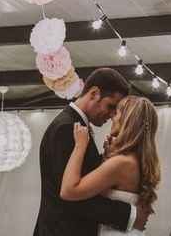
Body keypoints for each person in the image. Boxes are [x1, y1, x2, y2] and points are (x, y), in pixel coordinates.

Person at [33, 68, 152, 236]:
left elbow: (87, 182)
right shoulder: (67, 127)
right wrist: (129, 215)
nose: (112, 115)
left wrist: (104, 158)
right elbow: (70, 196)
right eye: (111, 106)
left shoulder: (75, 125)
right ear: (95, 93)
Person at [60, 94, 161, 236]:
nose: (112, 117)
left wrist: (80, 146)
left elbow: (68, 191)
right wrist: (107, 157)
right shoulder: (134, 160)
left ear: (127, 120)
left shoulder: (121, 163)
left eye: (117, 112)